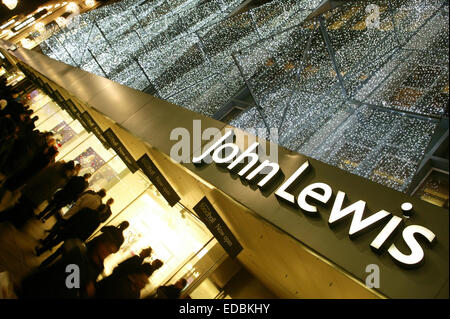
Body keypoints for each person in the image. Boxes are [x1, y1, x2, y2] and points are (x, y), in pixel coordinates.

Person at [18, 230, 124, 299]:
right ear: (100, 242)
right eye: (106, 247)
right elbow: (67, 289)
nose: (106, 253)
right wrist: (85, 292)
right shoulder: (79, 257)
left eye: (110, 252)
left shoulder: (99, 266)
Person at [0, 161, 76, 228]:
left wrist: (29, 184)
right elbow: (56, 188)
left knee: (20, 206)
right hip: (40, 196)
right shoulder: (64, 179)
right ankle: (9, 218)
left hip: (34, 189)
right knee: (21, 208)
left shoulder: (56, 166)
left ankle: (6, 217)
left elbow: (42, 175)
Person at [36, 204, 112, 256]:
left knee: (55, 241)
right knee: (61, 251)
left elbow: (74, 218)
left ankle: (40, 251)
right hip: (75, 236)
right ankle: (47, 262)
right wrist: (81, 240)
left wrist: (64, 225)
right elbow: (88, 232)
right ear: (103, 212)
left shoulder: (86, 210)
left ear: (98, 207)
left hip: (69, 229)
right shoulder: (97, 222)